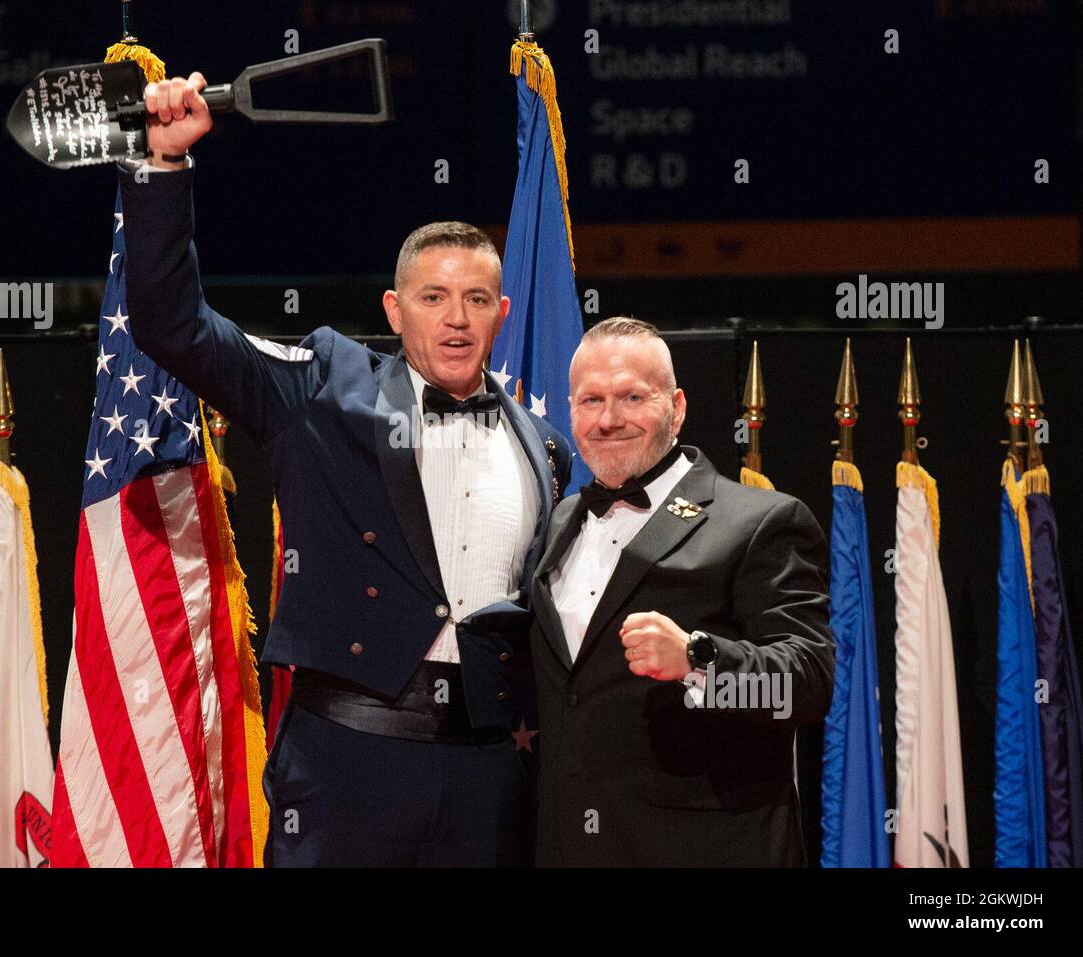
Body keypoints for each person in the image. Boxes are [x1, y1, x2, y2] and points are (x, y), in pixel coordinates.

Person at [119, 72, 573, 866]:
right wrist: (163, 167)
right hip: (347, 770)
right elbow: (174, 325)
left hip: (490, 775)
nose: (456, 318)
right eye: (433, 297)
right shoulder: (323, 386)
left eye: (475, 299)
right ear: (395, 312)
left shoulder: (545, 446)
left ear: (503, 314)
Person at [529, 317, 834, 866]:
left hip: (705, 850)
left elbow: (806, 687)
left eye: (631, 397)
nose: (608, 419)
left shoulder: (761, 520)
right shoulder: (560, 521)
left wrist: (698, 659)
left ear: (678, 407)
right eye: (590, 400)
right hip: (569, 847)